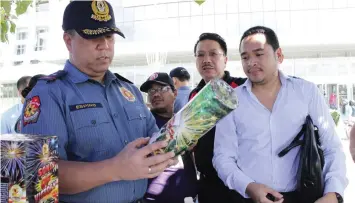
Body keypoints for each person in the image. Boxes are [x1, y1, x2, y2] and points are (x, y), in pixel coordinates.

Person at [21, 1, 176, 203]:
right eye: (93, 36)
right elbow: (38, 177)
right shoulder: (48, 94)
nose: (104, 45)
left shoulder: (128, 91)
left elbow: (153, 140)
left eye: (109, 36)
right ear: (68, 41)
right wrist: (115, 169)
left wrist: (176, 141)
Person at [213, 26, 347, 203]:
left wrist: (333, 193)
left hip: (302, 196)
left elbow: (332, 147)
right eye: (245, 57)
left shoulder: (306, 92)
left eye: (259, 54)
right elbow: (223, 158)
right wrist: (249, 187)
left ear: (279, 55)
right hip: (248, 196)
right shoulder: (230, 101)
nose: (251, 62)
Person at [188, 33, 246, 203]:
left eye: (213, 54)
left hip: (241, 185)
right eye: (201, 55)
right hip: (208, 185)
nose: (206, 60)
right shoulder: (194, 95)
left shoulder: (243, 88)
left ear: (225, 59)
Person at [140, 72, 197, 203]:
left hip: (189, 197)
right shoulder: (144, 124)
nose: (155, 94)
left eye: (162, 89)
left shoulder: (185, 121)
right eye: (151, 90)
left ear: (175, 93)